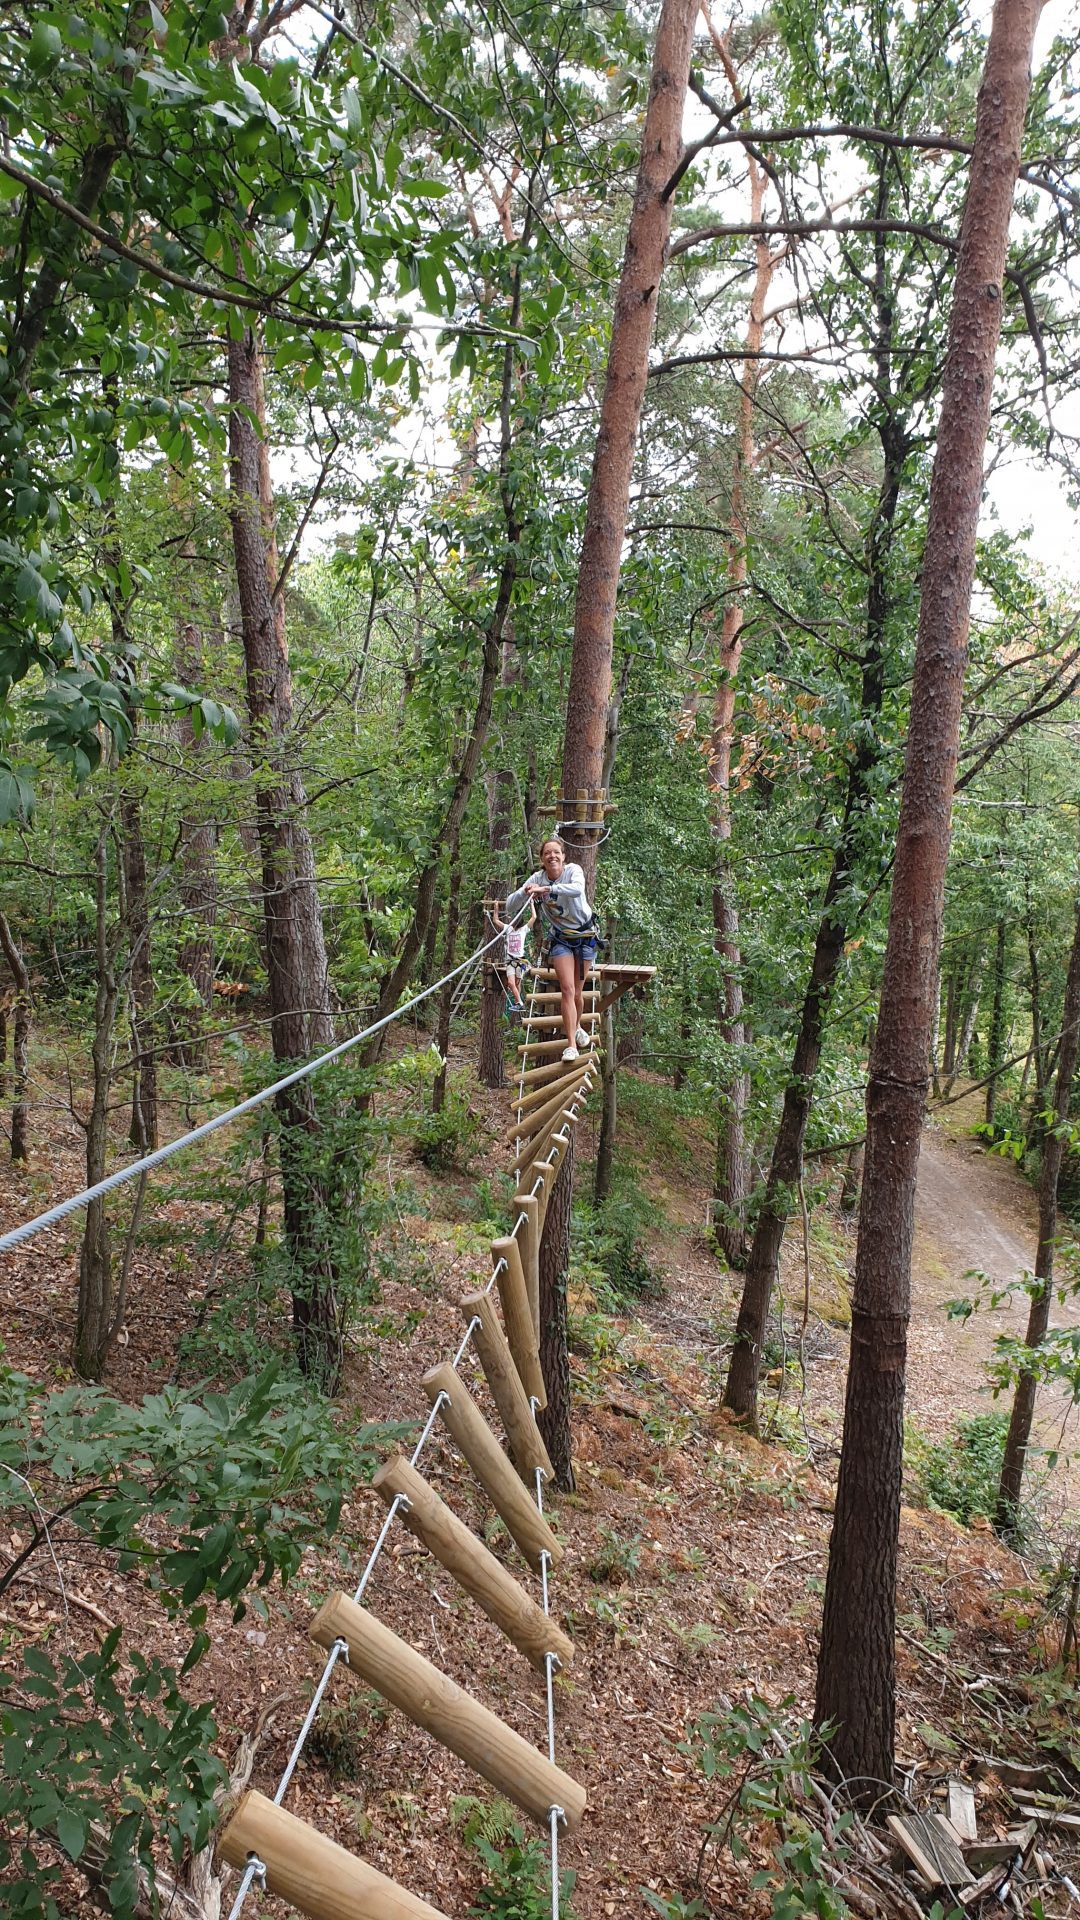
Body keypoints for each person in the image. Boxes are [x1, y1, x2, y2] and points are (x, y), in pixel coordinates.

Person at [505, 838, 599, 1061]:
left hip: (585, 935)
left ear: (564, 856)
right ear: (542, 859)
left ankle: (576, 1027)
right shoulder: (537, 878)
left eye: (556, 852)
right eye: (547, 853)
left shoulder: (573, 870)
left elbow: (576, 890)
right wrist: (526, 892)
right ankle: (571, 1046)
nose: (552, 856)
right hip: (561, 939)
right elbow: (510, 905)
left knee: (577, 991)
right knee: (566, 990)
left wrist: (546, 889)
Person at [493, 896, 535, 1018]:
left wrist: (531, 903)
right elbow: (496, 920)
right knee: (511, 983)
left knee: (516, 984)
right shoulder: (509, 929)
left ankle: (519, 1003)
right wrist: (496, 907)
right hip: (510, 961)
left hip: (520, 960)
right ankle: (519, 1002)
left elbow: (534, 917)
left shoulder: (523, 930)